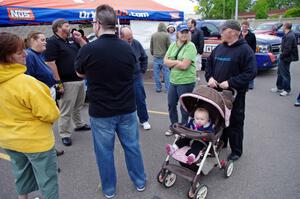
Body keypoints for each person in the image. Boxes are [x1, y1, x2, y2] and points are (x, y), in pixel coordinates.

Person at [74, 5, 146, 199]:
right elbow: (134, 72)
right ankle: (140, 181)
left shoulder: (88, 49)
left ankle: (109, 189)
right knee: (132, 147)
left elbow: (80, 73)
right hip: (127, 108)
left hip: (101, 112)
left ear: (97, 24)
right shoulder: (127, 46)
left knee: (104, 153)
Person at [0, 32, 60, 199]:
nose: (25, 54)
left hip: (8, 140)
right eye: (19, 52)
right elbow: (50, 113)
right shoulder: (27, 83)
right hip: (36, 141)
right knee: (48, 180)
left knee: (21, 173)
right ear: (6, 56)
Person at [205, 20, 257, 161]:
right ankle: (222, 142)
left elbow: (250, 72)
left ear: (233, 32)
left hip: (235, 95)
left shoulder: (245, 50)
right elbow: (209, 64)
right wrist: (209, 77)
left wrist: (230, 82)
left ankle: (236, 151)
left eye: (223, 30)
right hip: (217, 93)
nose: (220, 33)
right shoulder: (220, 48)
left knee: (235, 122)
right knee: (220, 119)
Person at [44, 18, 90, 147]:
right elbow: (50, 63)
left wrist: (80, 39)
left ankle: (79, 124)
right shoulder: (52, 42)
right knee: (66, 110)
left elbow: (87, 49)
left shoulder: (71, 40)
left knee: (78, 105)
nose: (69, 27)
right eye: (66, 25)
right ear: (58, 28)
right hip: (66, 82)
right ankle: (64, 134)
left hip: (80, 79)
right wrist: (58, 83)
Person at [25, 31, 64, 156]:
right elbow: (28, 79)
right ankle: (47, 149)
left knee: (49, 123)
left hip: (48, 91)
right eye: (42, 40)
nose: (45, 42)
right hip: (41, 94)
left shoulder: (39, 54)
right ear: (33, 40)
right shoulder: (30, 56)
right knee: (44, 123)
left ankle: (50, 147)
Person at [163, 23, 197, 136]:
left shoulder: (191, 46)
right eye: (182, 32)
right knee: (171, 105)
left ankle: (183, 129)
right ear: (177, 33)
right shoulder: (173, 45)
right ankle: (174, 127)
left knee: (184, 107)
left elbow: (184, 66)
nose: (184, 34)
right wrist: (178, 62)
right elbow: (165, 61)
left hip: (186, 81)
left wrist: (173, 63)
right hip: (173, 80)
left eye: (186, 32)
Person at [120, 26, 151, 130]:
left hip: (136, 77)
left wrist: (142, 71)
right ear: (121, 37)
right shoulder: (118, 45)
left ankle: (144, 120)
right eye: (128, 38)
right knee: (123, 100)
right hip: (122, 78)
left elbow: (144, 57)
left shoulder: (136, 43)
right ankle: (125, 121)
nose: (130, 39)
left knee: (140, 98)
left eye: (131, 37)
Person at [271, 22, 299, 96]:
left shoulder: (290, 36)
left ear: (286, 27)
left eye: (283, 26)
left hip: (286, 58)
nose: (282, 27)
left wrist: (281, 55)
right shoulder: (288, 34)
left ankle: (287, 90)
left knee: (285, 74)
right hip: (284, 56)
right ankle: (279, 87)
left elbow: (288, 49)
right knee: (280, 72)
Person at [150, 22, 171, 92]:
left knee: (156, 74)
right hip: (164, 57)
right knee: (166, 73)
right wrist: (169, 56)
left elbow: (151, 46)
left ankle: (158, 88)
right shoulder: (167, 35)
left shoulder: (153, 35)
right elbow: (169, 47)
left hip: (156, 57)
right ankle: (167, 88)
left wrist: (153, 53)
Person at [241, 20, 257, 89]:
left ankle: (251, 83)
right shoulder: (239, 34)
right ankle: (242, 82)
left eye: (246, 27)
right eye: (243, 26)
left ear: (248, 27)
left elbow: (254, 46)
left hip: (249, 54)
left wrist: (252, 54)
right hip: (240, 55)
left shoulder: (252, 35)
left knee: (250, 69)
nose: (244, 28)